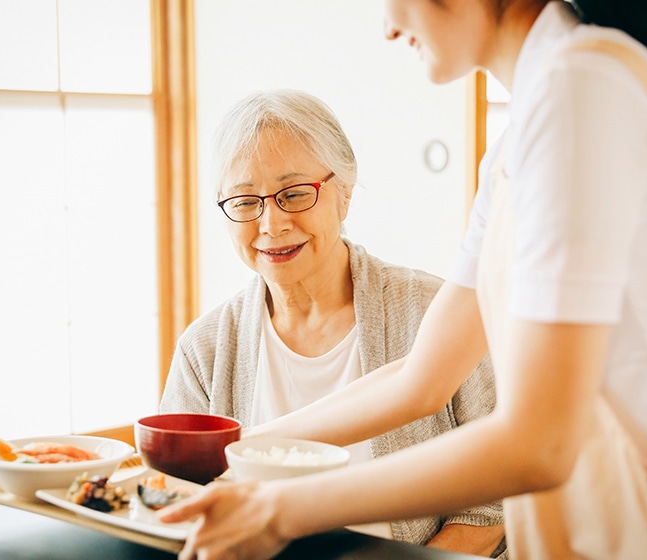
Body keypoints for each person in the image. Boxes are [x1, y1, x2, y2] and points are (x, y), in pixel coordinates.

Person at [158, 1, 647, 559]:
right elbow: (420, 378)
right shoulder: (522, 133)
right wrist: (238, 448)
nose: (389, 25)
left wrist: (279, 509)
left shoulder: (579, 91)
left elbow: (540, 442)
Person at [158, 88, 507, 556]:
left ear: (344, 191)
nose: (271, 224)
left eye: (295, 194)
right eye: (245, 202)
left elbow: (491, 508)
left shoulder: (433, 313)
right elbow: (176, 502)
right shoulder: (205, 350)